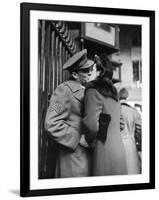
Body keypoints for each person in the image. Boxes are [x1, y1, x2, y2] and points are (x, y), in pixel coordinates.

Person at [45, 49, 95, 178]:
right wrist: (78, 138)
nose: (90, 72)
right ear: (74, 74)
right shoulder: (63, 90)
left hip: (87, 153)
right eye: (85, 70)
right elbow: (52, 123)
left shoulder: (87, 90)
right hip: (73, 156)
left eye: (90, 68)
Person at [82, 54, 127, 176]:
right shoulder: (114, 93)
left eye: (92, 69)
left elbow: (91, 125)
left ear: (99, 71)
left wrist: (87, 140)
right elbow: (121, 124)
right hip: (119, 149)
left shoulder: (92, 91)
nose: (88, 72)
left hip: (103, 148)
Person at [119, 88, 142, 174]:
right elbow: (139, 132)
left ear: (118, 97)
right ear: (127, 98)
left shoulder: (114, 110)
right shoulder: (135, 112)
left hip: (116, 145)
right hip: (131, 145)